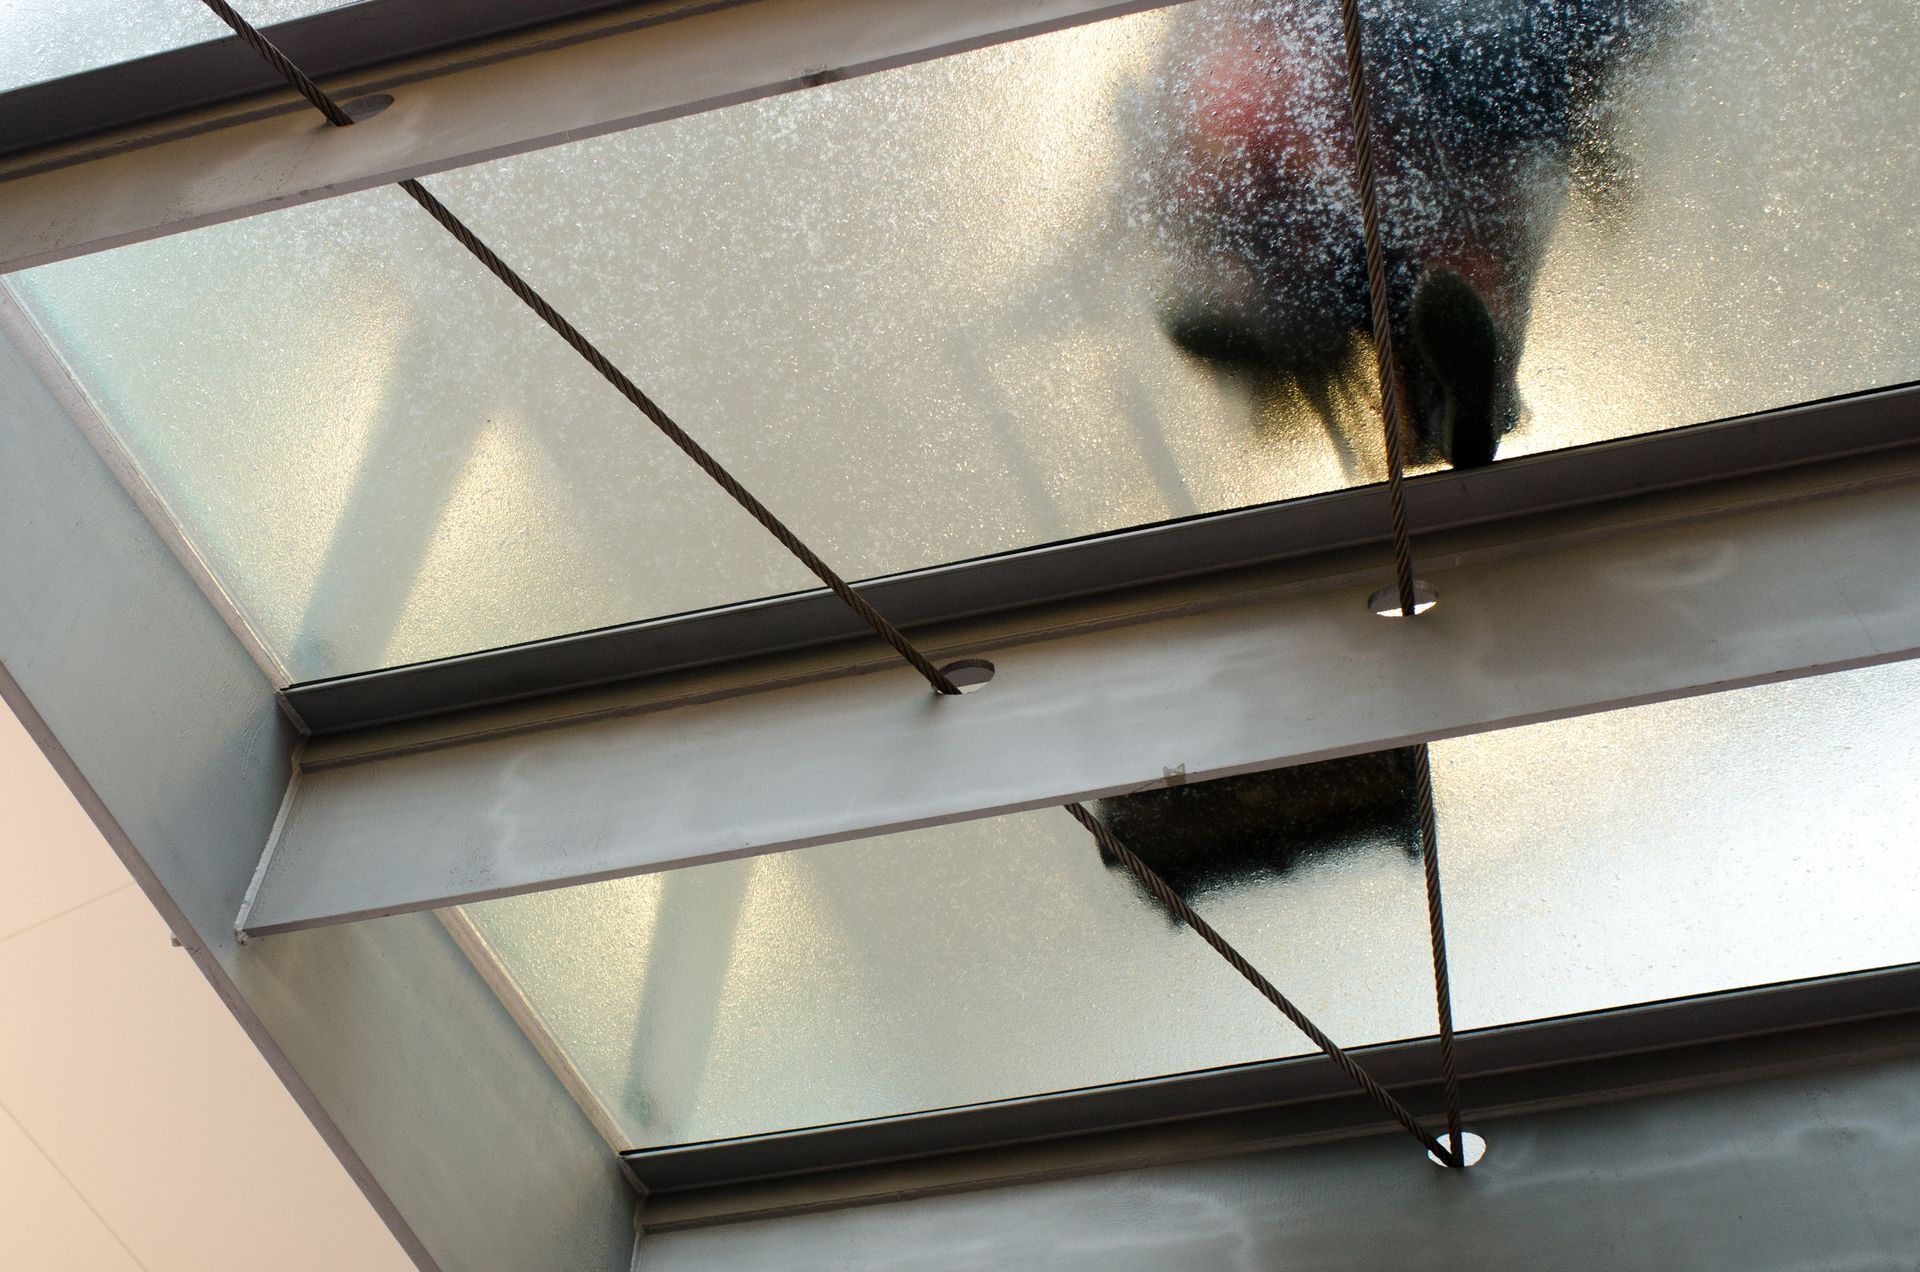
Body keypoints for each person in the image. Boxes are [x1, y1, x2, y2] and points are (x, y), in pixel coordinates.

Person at [1134, 0, 1673, 468]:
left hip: (1431, 112)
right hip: (1458, 104)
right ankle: (1419, 382)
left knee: (1396, 242)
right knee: (1455, 225)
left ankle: (1304, 328)